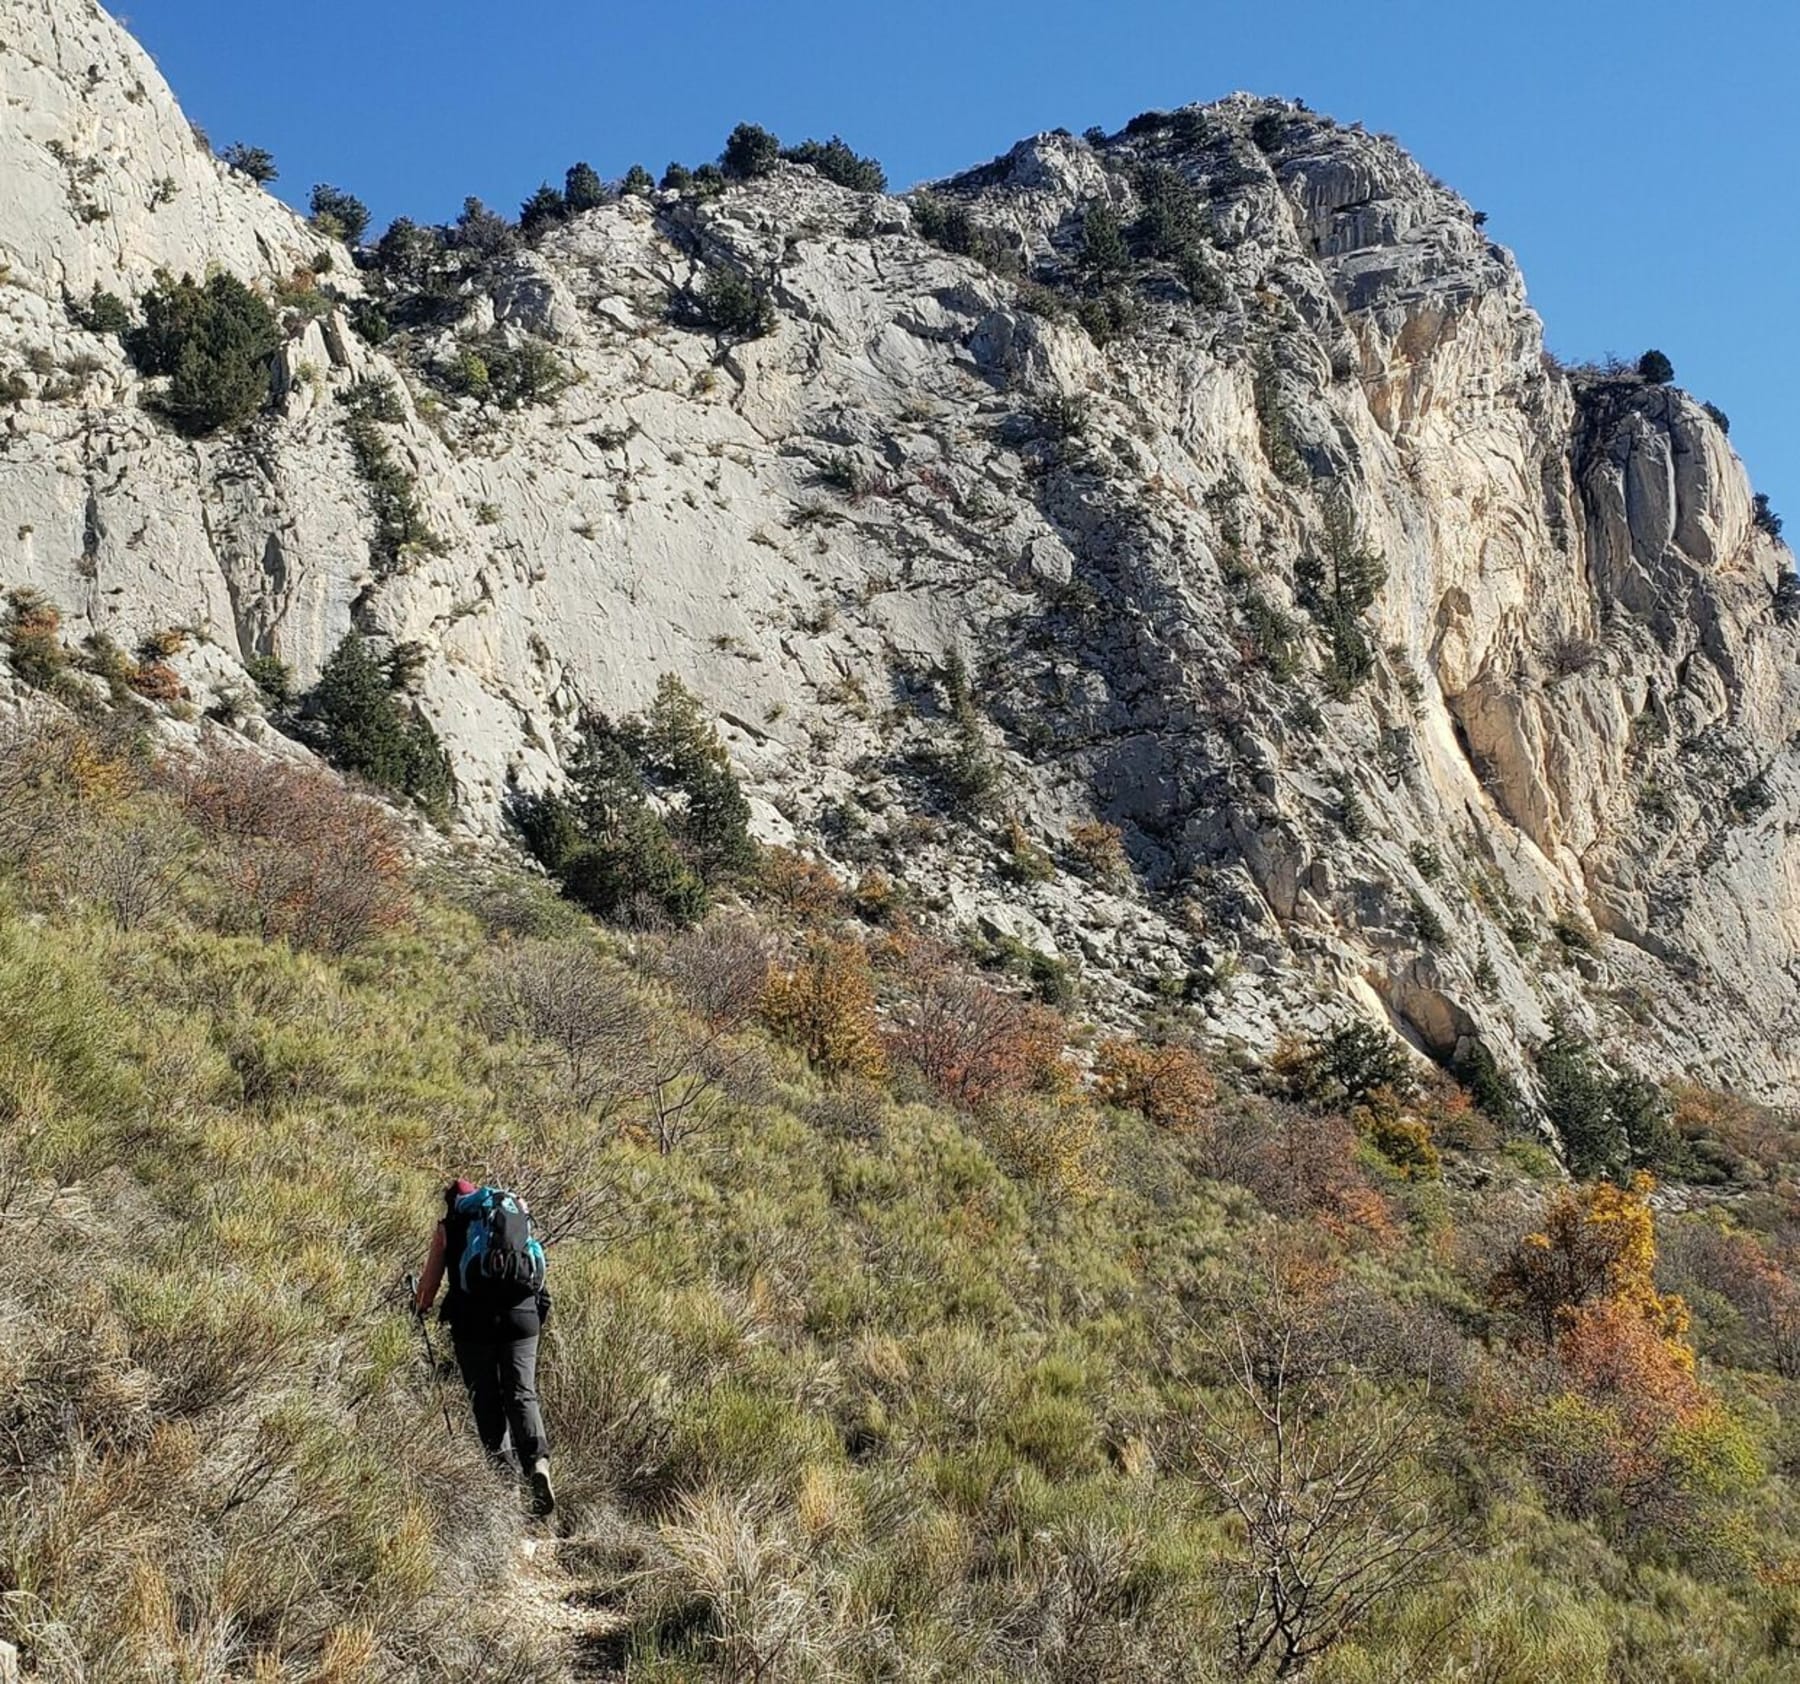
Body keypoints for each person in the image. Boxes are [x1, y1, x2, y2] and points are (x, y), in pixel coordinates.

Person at [414, 1177, 556, 1516]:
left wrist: (419, 1307)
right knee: (522, 1393)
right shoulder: (509, 1210)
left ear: (452, 1201)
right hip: (522, 1315)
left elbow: (429, 1286)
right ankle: (538, 1465)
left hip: (472, 1320)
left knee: (486, 1397)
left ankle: (505, 1483)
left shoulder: (449, 1224)